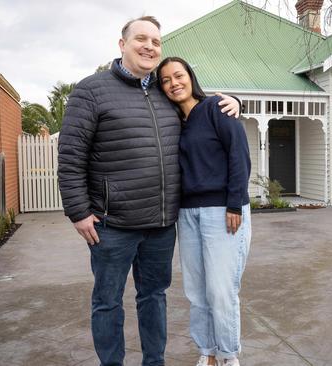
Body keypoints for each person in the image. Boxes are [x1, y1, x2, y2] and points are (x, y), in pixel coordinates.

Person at [57, 16, 240, 366]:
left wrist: (231, 101)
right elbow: (70, 156)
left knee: (154, 297)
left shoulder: (163, 92)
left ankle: (153, 362)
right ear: (122, 44)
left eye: (156, 42)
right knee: (107, 301)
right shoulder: (91, 90)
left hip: (160, 225)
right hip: (112, 225)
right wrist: (78, 211)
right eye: (141, 39)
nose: (149, 47)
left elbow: (197, 107)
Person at [157, 57, 251, 366]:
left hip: (222, 211)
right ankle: (207, 352)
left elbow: (239, 154)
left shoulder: (215, 108)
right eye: (166, 80)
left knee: (221, 290)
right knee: (197, 291)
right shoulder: (173, 121)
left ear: (190, 77)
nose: (174, 83)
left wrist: (234, 203)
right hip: (187, 215)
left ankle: (229, 355)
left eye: (178, 75)